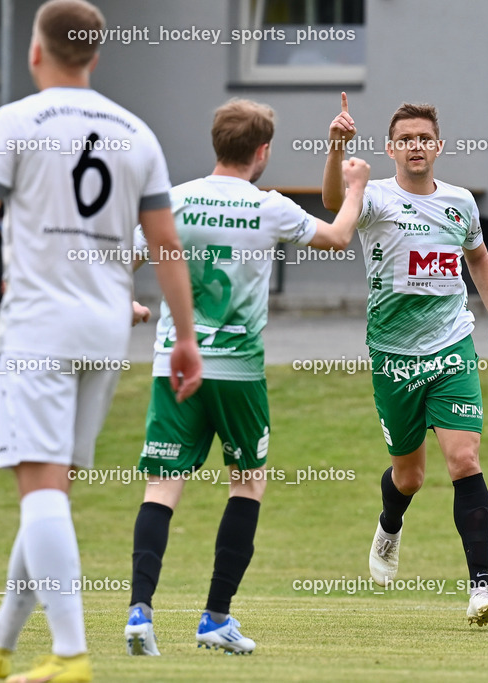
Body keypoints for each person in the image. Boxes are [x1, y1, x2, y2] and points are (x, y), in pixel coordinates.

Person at [0, 2, 202, 681]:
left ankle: (70, 655)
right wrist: (185, 336)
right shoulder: (137, 132)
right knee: (51, 493)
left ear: (36, 54)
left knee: (39, 492)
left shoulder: (14, 120)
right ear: (94, 56)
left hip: (39, 327)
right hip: (105, 331)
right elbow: (164, 245)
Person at [124, 98, 371, 656]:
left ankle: (140, 611)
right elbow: (335, 238)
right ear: (262, 152)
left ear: (216, 142)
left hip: (175, 363)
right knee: (247, 483)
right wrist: (354, 187)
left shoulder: (175, 200)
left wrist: (128, 306)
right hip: (237, 370)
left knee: (162, 487)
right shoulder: (270, 206)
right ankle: (215, 618)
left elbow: (118, 260)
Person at [322, 93, 488, 626]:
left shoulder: (460, 202)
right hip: (393, 356)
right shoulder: (376, 197)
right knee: (408, 477)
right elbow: (333, 200)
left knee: (465, 460)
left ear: (438, 146)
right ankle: (389, 525)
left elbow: (478, 256)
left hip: (452, 346)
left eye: (423, 138)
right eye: (404, 139)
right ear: (390, 148)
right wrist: (337, 148)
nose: (415, 146)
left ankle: (480, 590)